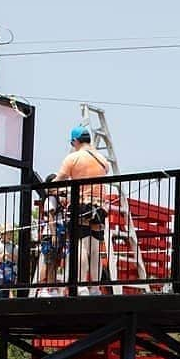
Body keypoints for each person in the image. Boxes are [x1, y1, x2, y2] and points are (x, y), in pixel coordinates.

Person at [54, 125, 111, 294]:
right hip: (100, 206)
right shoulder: (103, 160)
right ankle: (95, 288)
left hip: (82, 204)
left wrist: (52, 190)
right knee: (95, 247)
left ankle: (81, 286)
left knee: (82, 245)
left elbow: (58, 180)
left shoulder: (72, 158)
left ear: (75, 141)